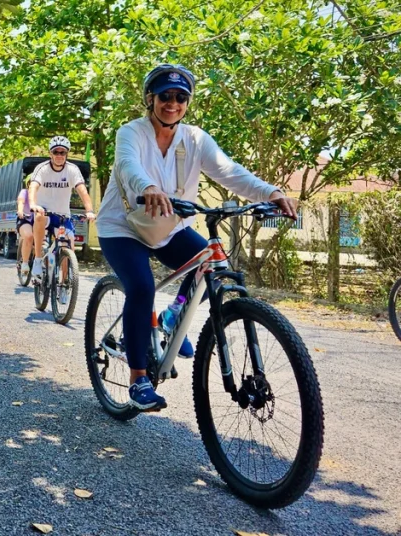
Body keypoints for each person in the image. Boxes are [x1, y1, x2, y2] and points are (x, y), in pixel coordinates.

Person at [95, 63, 297, 411]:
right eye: (165, 96)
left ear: (187, 103)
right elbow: (129, 166)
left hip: (169, 225)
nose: (172, 103)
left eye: (180, 97)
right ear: (150, 99)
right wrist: (149, 187)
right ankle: (138, 379)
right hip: (122, 226)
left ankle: (174, 316)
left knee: (212, 265)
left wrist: (271, 193)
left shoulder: (195, 138)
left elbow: (229, 171)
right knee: (141, 287)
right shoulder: (131, 132)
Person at [27, 136, 96, 277]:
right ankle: (38, 259)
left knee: (66, 246)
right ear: (50, 154)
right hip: (44, 211)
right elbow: (33, 187)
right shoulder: (42, 168)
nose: (59, 155)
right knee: (39, 217)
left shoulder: (72, 170)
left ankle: (64, 283)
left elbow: (82, 191)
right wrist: (33, 204)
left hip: (62, 215)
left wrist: (89, 211)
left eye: (62, 152)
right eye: (56, 152)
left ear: (67, 154)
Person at [15, 177, 36, 276]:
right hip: (25, 219)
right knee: (29, 236)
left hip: (39, 221)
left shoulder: (43, 195)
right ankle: (25, 262)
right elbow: (21, 202)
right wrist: (20, 210)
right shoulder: (24, 192)